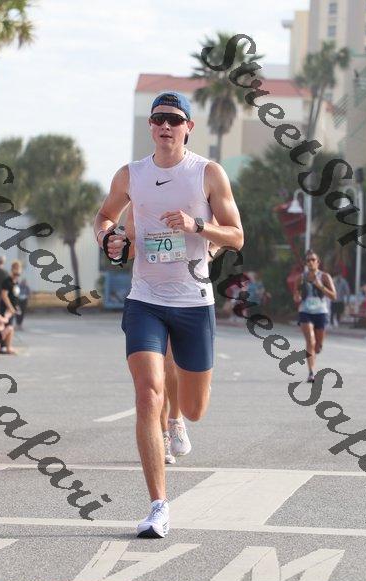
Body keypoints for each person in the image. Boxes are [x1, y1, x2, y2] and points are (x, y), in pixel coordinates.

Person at [94, 91, 243, 538]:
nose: (165, 125)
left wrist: (198, 226)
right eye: (158, 118)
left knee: (195, 408)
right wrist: (108, 239)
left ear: (188, 128)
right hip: (145, 299)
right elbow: (104, 216)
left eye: (174, 119)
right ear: (150, 125)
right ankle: (158, 506)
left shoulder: (207, 173)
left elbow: (236, 236)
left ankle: (179, 420)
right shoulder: (131, 174)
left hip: (194, 302)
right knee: (147, 394)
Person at [123, 203, 220, 464]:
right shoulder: (140, 196)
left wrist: (207, 252)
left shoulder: (197, 192)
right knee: (155, 375)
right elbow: (129, 243)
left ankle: (177, 417)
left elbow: (226, 232)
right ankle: (163, 433)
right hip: (149, 298)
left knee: (175, 371)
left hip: (189, 298)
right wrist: (118, 244)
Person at [293, 250, 336, 383]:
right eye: (308, 260)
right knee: (310, 341)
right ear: (306, 263)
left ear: (318, 262)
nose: (311, 262)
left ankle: (318, 347)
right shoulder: (301, 278)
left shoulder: (324, 277)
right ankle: (311, 373)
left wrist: (321, 286)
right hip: (305, 311)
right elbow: (296, 295)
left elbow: (334, 296)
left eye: (313, 260)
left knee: (317, 346)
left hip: (321, 312)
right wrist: (297, 297)